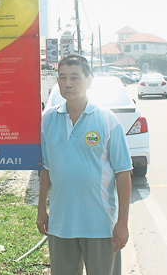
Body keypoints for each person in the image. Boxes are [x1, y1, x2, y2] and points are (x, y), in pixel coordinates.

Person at [36, 55, 132, 275]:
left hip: (100, 225)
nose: (68, 83)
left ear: (89, 80)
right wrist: (41, 210)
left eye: (75, 77)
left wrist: (122, 222)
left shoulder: (107, 120)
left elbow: (123, 173)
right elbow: (47, 170)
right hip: (61, 224)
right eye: (62, 77)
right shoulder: (48, 119)